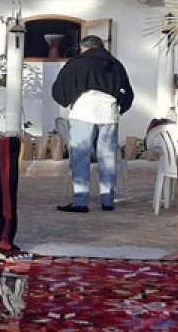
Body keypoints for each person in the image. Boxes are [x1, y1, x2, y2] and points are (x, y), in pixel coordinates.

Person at [51, 34, 134, 213]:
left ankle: (81, 202)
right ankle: (108, 201)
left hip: (83, 113)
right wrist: (120, 107)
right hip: (109, 114)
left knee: (80, 157)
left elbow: (60, 89)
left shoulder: (76, 63)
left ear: (84, 48)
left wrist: (67, 100)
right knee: (108, 157)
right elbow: (127, 91)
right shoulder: (114, 64)